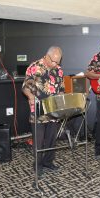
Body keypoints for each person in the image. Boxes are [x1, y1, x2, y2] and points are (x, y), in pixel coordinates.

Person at [22, 46, 64, 176]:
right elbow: (25, 87)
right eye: (54, 61)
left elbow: (61, 89)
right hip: (38, 110)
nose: (56, 64)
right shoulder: (34, 67)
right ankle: (38, 165)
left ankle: (48, 162)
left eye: (58, 62)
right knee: (39, 141)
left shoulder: (59, 70)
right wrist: (30, 96)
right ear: (46, 56)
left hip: (53, 110)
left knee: (52, 139)